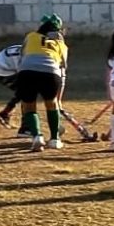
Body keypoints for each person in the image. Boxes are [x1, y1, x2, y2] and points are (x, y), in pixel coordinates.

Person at [15, 14, 69, 151]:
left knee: (29, 106)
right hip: (51, 73)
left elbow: (22, 56)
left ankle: (37, 136)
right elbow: (63, 67)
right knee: (52, 104)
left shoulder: (31, 36)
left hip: (26, 71)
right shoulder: (61, 44)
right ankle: (55, 139)